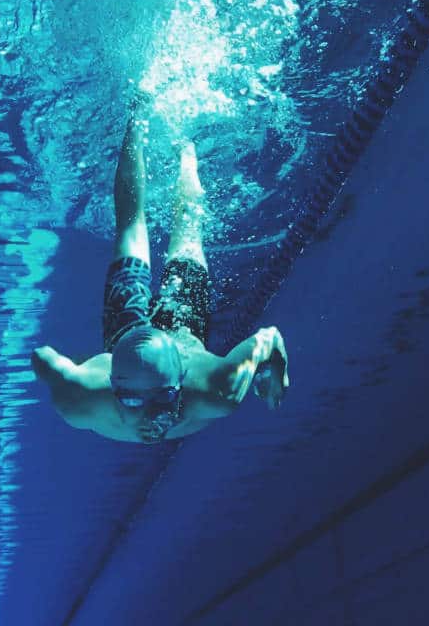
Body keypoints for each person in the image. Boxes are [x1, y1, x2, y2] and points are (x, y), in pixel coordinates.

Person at [31, 109, 291, 443]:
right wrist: (276, 370)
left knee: (138, 225)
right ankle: (141, 118)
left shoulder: (216, 390)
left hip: (148, 333)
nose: (149, 415)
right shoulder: (83, 399)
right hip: (172, 325)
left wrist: (278, 367)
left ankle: (185, 145)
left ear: (181, 382)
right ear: (113, 387)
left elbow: (270, 339)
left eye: (165, 398)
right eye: (133, 400)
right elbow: (43, 360)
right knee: (180, 230)